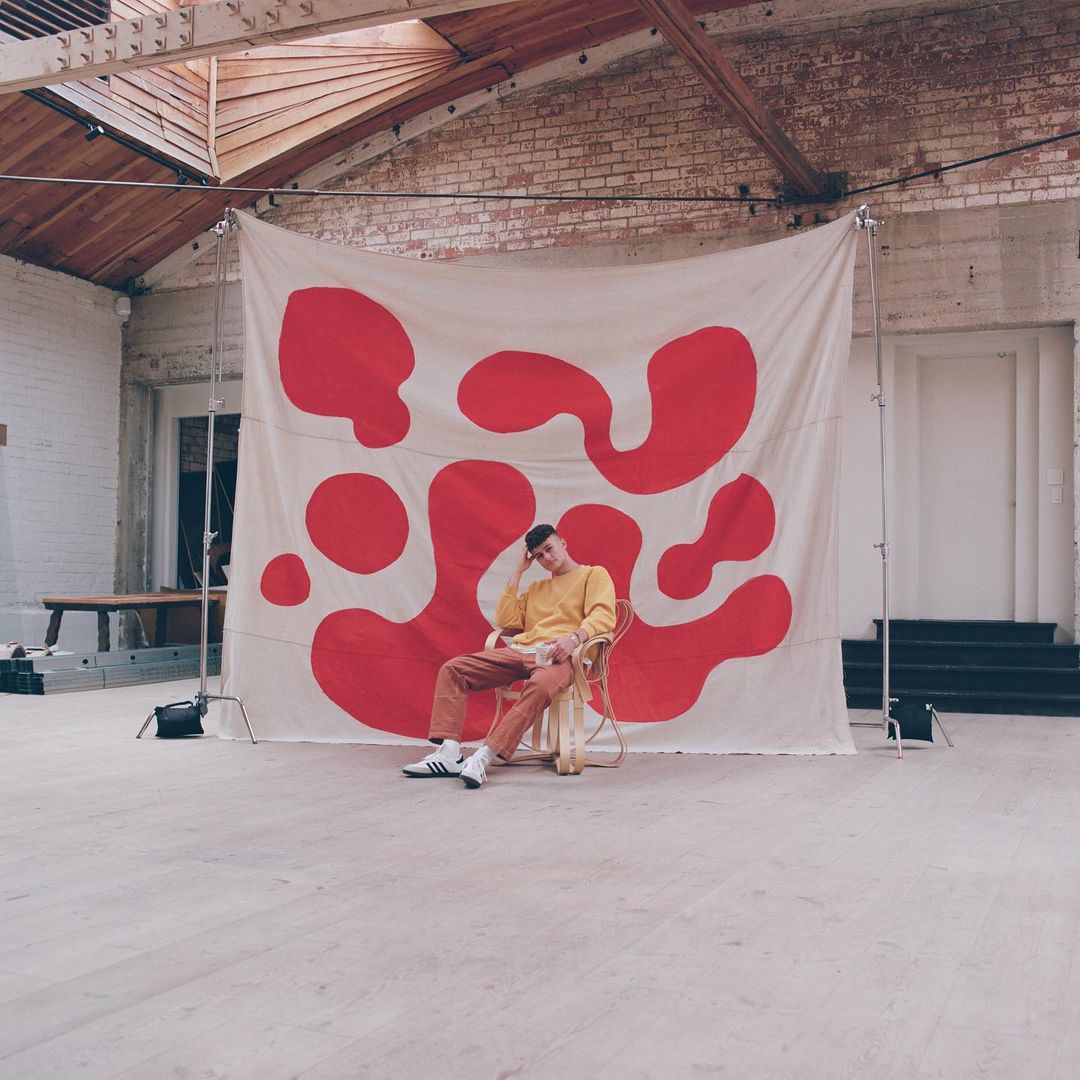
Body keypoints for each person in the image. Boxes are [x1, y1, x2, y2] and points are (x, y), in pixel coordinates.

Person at [403, 523, 616, 788]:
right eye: (539, 555)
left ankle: (483, 757)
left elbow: (603, 615)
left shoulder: (594, 575)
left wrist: (573, 639)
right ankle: (449, 754)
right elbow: (506, 619)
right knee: (453, 669)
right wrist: (517, 572)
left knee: (540, 684)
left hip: (564, 656)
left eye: (549, 549)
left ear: (563, 543)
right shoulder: (537, 587)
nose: (546, 558)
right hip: (523, 651)